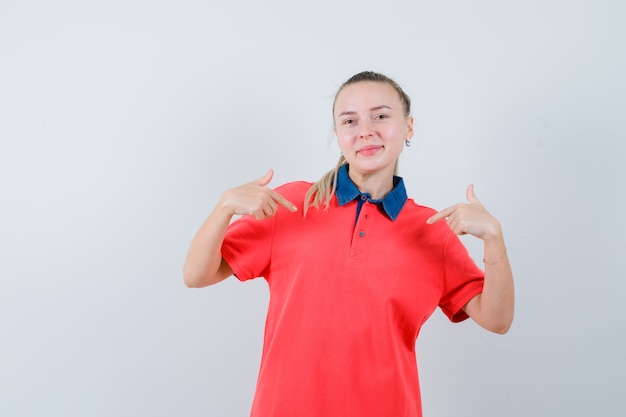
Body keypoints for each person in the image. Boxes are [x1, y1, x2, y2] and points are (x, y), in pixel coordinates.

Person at [183, 71, 514, 417]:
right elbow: (196, 274)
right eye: (350, 120)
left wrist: (494, 239)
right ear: (339, 135)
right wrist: (224, 209)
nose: (365, 131)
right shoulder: (294, 203)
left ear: (408, 128)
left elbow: (497, 319)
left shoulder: (432, 230)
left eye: (381, 116)